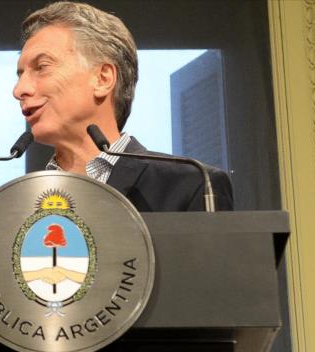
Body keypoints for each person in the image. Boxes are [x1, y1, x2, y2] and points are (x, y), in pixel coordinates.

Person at [13, 1, 234, 211]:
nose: (18, 90)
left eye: (41, 67)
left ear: (103, 79)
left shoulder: (192, 185)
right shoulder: (17, 204)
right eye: (20, 75)